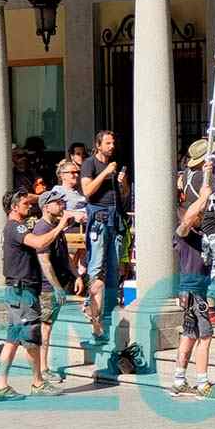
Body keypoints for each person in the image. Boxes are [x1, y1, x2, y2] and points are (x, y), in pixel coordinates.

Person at [0, 190, 70, 401]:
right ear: (14, 207)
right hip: (23, 291)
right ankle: (37, 382)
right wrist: (61, 225)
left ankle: (1, 386)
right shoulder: (16, 227)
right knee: (31, 338)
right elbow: (39, 243)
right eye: (25, 203)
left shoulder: (13, 227)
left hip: (17, 291)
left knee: (12, 339)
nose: (29, 206)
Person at [169, 165, 215, 399]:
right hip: (193, 292)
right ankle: (202, 383)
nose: (201, 217)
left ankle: (179, 379)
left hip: (194, 290)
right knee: (205, 335)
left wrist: (207, 176)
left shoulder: (199, 236)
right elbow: (190, 216)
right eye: (198, 215)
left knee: (189, 334)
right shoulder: (183, 234)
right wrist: (203, 196)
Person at [80, 130, 129, 338]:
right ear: (98, 145)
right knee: (97, 266)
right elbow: (87, 191)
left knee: (114, 266)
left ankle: (108, 311)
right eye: (108, 143)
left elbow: (124, 194)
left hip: (115, 218)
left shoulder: (115, 165)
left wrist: (123, 182)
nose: (112, 146)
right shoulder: (89, 164)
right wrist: (105, 172)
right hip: (99, 218)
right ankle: (92, 312)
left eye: (113, 142)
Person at [33, 189, 86, 383]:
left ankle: (43, 367)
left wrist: (76, 275)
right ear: (46, 207)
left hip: (59, 284)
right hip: (47, 287)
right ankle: (43, 368)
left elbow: (65, 256)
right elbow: (44, 262)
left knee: (48, 326)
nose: (62, 205)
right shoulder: (41, 229)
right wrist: (56, 287)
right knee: (45, 328)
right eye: (58, 202)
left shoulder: (57, 227)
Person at [178, 139, 215, 328]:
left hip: (201, 227)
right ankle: (211, 310)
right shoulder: (203, 177)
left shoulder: (186, 174)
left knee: (204, 267)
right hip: (211, 226)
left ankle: (202, 307)